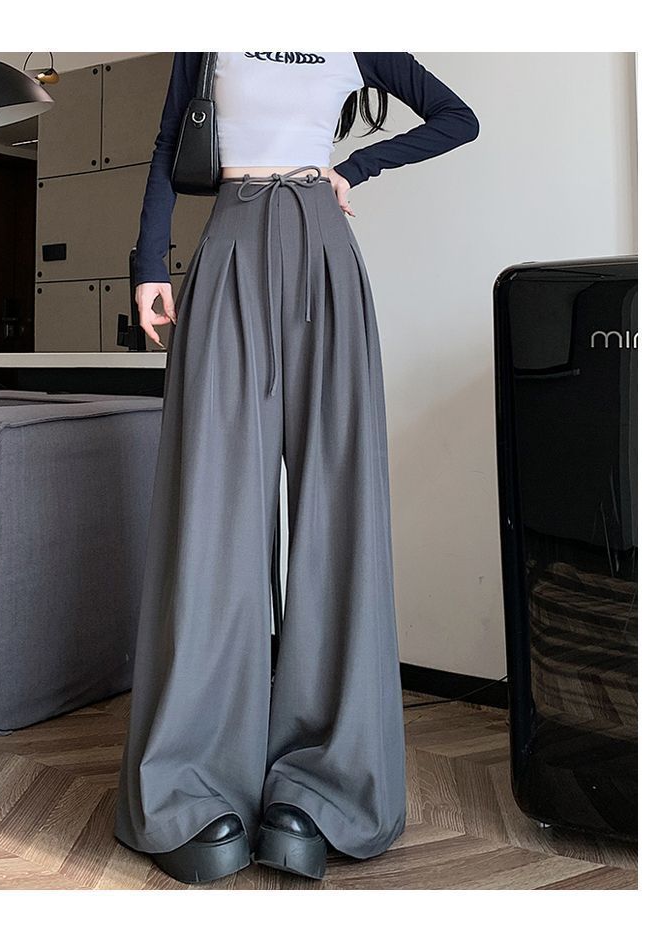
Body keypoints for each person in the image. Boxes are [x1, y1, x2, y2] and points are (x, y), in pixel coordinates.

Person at [114, 50, 480, 884]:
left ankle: (324, 783)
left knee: (336, 508)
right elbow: (170, 141)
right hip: (229, 244)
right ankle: (191, 782)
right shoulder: (208, 34)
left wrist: (357, 168)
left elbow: (458, 117)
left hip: (323, 250)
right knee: (213, 512)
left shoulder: (354, 32)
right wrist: (148, 263)